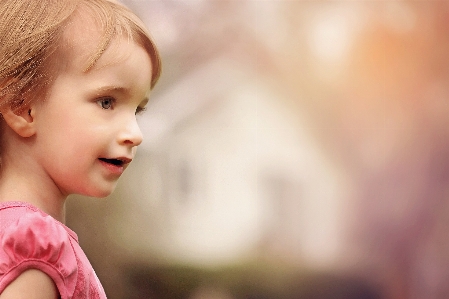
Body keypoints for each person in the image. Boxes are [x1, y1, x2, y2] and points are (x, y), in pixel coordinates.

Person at [0, 0, 161, 298]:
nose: (135, 134)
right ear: (23, 107)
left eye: (137, 110)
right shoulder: (35, 248)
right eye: (107, 102)